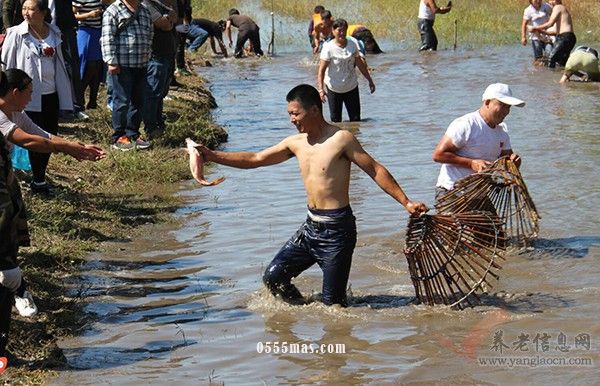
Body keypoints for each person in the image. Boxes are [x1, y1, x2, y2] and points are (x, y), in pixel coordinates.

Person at [193, 84, 428, 306]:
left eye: (295, 114)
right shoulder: (295, 143)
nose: (291, 120)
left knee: (333, 306)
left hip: (338, 232)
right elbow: (256, 159)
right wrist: (213, 156)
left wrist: (406, 202)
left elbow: (375, 169)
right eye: (289, 114)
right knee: (273, 279)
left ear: (314, 110)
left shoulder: (341, 139)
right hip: (310, 229)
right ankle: (303, 308)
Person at [0, 68, 104, 363]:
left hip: (6, 180)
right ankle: (17, 288)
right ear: (13, 92)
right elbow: (28, 142)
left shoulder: (18, 112)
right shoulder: (2, 116)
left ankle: (16, 287)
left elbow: (43, 135)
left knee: (10, 250)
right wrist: (69, 148)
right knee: (5, 258)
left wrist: (75, 148)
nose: (33, 96)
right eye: (29, 91)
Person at [1, 0, 76, 193]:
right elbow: (7, 66)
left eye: (31, 9)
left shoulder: (54, 32)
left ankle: (40, 178)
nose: (26, 13)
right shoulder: (16, 33)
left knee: (48, 131)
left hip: (51, 93)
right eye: (24, 8)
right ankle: (30, 176)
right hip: (26, 96)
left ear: (43, 12)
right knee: (31, 135)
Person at [432, 83, 525, 203]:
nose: (506, 111)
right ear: (487, 102)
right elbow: (438, 155)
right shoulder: (467, 124)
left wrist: (514, 161)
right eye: (502, 105)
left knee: (495, 223)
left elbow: (506, 161)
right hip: (452, 192)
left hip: (479, 193)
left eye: (508, 107)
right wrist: (471, 163)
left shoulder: (502, 132)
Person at [101, 0, 153, 151]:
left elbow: (150, 34)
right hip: (121, 64)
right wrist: (111, 61)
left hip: (141, 63)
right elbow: (107, 38)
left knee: (138, 101)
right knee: (122, 101)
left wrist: (147, 56)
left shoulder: (144, 10)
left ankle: (133, 133)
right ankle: (118, 136)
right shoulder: (113, 10)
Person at [317, 18, 375, 123]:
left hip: (351, 86)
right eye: (339, 30)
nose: (342, 33)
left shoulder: (352, 44)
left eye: (344, 30)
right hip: (334, 88)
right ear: (333, 31)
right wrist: (321, 90)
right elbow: (321, 70)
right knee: (336, 121)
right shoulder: (328, 48)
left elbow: (360, 65)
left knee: (356, 120)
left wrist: (370, 81)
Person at [142, 0, 177, 140]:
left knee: (161, 93)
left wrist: (169, 18)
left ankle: (158, 123)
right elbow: (164, 25)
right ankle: (151, 128)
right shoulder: (146, 4)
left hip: (167, 56)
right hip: (156, 56)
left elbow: (173, 16)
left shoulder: (160, 5)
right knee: (153, 93)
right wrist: (169, 19)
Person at [73, 0, 106, 110]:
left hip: (98, 32)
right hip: (86, 31)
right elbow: (72, 15)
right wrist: (89, 15)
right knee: (87, 66)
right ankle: (77, 100)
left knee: (97, 67)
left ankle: (92, 101)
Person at [531, 0, 575, 68]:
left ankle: (549, 78)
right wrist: (540, 31)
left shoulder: (558, 7)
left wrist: (535, 28)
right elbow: (554, 32)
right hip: (569, 38)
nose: (550, 2)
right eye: (549, 1)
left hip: (564, 37)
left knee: (550, 60)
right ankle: (563, 77)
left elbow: (550, 24)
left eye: (552, 0)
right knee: (561, 63)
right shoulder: (562, 9)